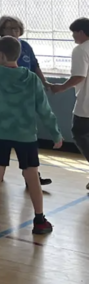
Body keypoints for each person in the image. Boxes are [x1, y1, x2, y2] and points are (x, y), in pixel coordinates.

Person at [0, 36, 62, 235]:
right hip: (26, 134)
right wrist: (55, 133)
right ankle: (40, 220)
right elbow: (44, 110)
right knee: (31, 175)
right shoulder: (32, 79)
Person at [0, 16, 53, 186]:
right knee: (1, 141)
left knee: (26, 142)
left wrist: (44, 82)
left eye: (16, 29)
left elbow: (35, 65)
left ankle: (32, 177)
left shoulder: (25, 47)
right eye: (9, 29)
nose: (13, 32)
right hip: (1, 102)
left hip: (23, 103)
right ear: (2, 30)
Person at [49, 17, 89, 188]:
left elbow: (80, 75)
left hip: (86, 103)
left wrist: (61, 88)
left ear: (81, 32)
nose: (73, 36)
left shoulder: (81, 50)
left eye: (74, 32)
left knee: (79, 133)